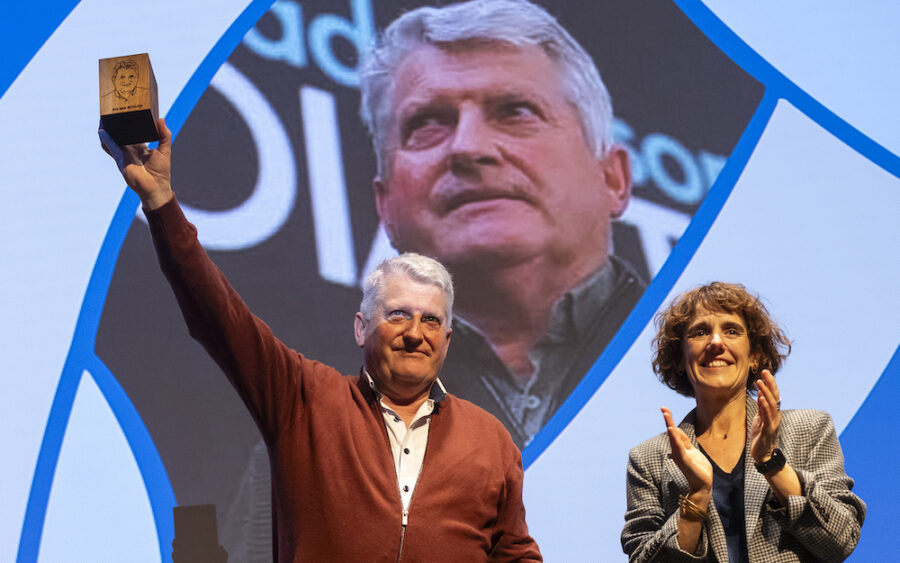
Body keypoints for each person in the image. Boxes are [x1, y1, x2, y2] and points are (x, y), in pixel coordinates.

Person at [98, 119, 542, 561]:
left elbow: (517, 554)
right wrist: (160, 202)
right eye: (398, 315)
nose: (414, 334)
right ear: (361, 327)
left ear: (446, 340)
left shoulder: (490, 440)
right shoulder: (305, 401)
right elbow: (219, 317)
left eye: (430, 321)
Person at [359, 0, 646, 449]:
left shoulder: (725, 374)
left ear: (613, 179)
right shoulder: (322, 437)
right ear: (385, 206)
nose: (468, 147)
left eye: (516, 111)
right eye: (427, 123)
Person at [621, 282, 865, 561]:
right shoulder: (647, 459)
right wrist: (697, 496)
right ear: (679, 359)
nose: (715, 342)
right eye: (700, 332)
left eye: (731, 331)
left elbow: (840, 541)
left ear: (755, 357)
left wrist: (771, 461)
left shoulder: (810, 429)